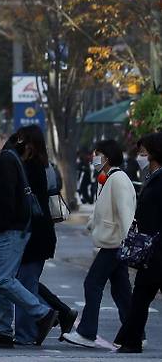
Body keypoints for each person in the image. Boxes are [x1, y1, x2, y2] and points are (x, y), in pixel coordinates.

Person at [0, 125, 77, 345]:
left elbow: (5, 201)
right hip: (27, 230)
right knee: (10, 281)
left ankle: (37, 320)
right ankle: (12, 329)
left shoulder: (14, 162)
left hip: (23, 231)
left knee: (9, 281)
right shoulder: (25, 162)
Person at [62, 139, 136, 348]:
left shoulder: (118, 179)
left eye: (98, 154)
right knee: (121, 290)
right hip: (113, 242)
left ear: (107, 156)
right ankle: (135, 331)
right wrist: (91, 224)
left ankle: (86, 332)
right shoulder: (109, 178)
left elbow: (125, 213)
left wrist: (126, 242)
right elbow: (104, 210)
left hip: (115, 244)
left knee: (92, 284)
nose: (94, 158)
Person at [114, 132, 162, 353]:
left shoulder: (160, 179)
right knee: (141, 294)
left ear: (154, 153)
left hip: (157, 248)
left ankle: (131, 340)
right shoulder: (152, 176)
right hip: (151, 249)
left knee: (142, 294)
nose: (140, 156)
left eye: (144, 152)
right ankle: (130, 340)